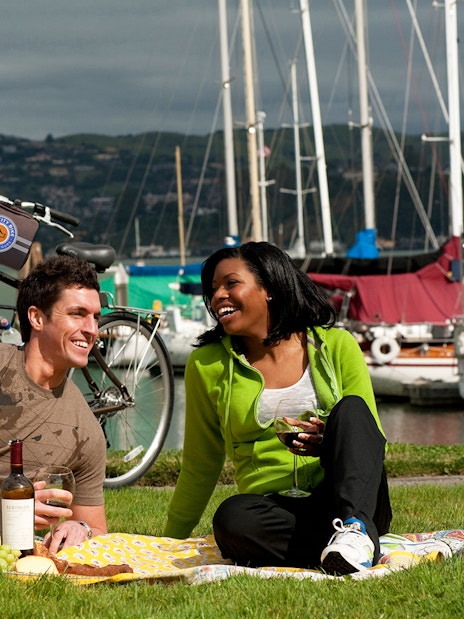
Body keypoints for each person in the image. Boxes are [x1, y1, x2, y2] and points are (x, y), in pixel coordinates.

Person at [164, 241, 392, 575]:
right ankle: (347, 548)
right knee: (231, 519)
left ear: (269, 288)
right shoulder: (207, 364)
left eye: (231, 283)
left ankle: (356, 530)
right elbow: (201, 465)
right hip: (273, 511)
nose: (217, 297)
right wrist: (169, 544)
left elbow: (369, 439)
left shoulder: (336, 345)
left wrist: (327, 443)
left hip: (346, 497)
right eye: (213, 290)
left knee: (353, 409)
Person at [0, 254, 108, 553]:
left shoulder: (86, 432)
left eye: (95, 317)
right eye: (77, 314)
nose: (92, 329)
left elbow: (97, 528)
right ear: (36, 318)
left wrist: (81, 528)